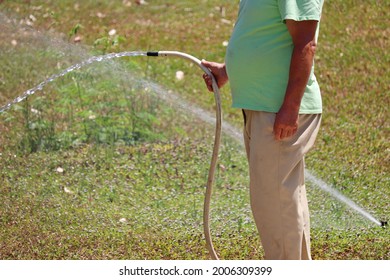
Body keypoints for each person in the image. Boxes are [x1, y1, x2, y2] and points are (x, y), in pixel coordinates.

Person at [202, 0, 324, 260]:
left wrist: (290, 107)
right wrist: (228, 71)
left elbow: (305, 44)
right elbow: (266, 34)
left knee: (275, 206)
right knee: (282, 202)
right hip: (264, 108)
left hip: (278, 109)